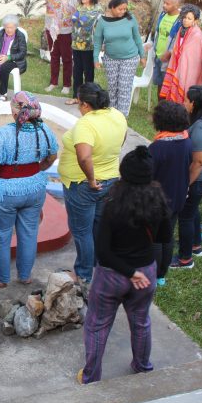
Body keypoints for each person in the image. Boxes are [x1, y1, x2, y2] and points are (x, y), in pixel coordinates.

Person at [78, 146, 171, 384]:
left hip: (112, 275)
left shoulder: (113, 204)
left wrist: (130, 273)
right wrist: (155, 272)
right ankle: (142, 367)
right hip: (145, 273)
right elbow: (164, 241)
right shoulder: (160, 203)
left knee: (97, 326)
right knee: (141, 322)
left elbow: (104, 252)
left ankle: (91, 377)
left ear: (124, 173)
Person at [0, 92, 58, 288]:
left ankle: (1, 277)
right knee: (29, 233)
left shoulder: (4, 133)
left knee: (1, 235)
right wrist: (36, 169)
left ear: (15, 111)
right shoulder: (45, 130)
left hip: (5, 192)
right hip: (34, 187)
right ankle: (24, 275)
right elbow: (52, 156)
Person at [58, 82, 127, 287]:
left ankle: (83, 273)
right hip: (110, 180)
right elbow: (122, 139)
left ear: (86, 105)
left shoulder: (86, 124)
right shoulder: (117, 114)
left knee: (81, 231)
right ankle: (97, 264)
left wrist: (90, 178)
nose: (78, 107)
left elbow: (84, 156)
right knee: (97, 225)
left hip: (84, 185)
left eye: (79, 103)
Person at [170, 87, 202, 269]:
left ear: (194, 103)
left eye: (186, 100)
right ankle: (195, 246)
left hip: (200, 177)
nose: (184, 103)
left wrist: (186, 184)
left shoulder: (201, 129)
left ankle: (185, 259)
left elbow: (200, 161)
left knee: (185, 216)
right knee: (193, 211)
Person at [148, 101, 191, 287]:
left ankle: (154, 273)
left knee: (155, 239)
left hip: (158, 202)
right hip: (178, 197)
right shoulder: (186, 141)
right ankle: (162, 274)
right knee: (168, 236)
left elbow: (148, 176)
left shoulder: (157, 149)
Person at [93, 0, 146, 116]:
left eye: (125, 9)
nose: (123, 12)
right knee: (112, 88)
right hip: (110, 59)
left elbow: (137, 38)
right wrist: (95, 58)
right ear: (112, 7)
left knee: (124, 88)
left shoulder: (130, 19)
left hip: (130, 58)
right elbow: (97, 41)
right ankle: (112, 113)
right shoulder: (102, 21)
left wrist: (142, 56)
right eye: (120, 9)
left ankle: (122, 116)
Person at [43, 0, 79, 95]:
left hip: (65, 28)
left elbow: (75, 7)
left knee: (67, 57)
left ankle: (67, 84)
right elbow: (47, 2)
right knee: (53, 55)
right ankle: (53, 82)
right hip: (51, 25)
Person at [160, 4, 202, 105]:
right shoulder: (182, 30)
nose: (185, 20)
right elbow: (178, 49)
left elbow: (189, 57)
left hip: (189, 71)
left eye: (189, 18)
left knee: (184, 93)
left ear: (196, 21)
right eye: (184, 17)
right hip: (177, 66)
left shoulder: (197, 35)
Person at [68, 0, 102, 105]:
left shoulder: (98, 10)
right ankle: (76, 97)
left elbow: (100, 28)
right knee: (77, 72)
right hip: (76, 45)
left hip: (89, 46)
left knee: (88, 73)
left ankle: (88, 99)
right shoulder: (79, 7)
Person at [0, 14, 27, 103]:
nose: (9, 30)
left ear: (15, 27)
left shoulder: (20, 36)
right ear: (4, 26)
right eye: (7, 27)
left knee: (4, 68)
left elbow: (22, 53)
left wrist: (8, 57)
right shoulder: (0, 33)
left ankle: (3, 94)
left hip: (13, 59)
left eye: (11, 27)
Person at [151, 0, 182, 98]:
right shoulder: (163, 15)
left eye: (167, 4)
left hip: (169, 60)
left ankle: (166, 110)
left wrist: (169, 52)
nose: (164, 5)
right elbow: (158, 33)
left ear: (176, 5)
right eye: (164, 2)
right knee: (159, 84)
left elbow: (178, 41)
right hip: (158, 56)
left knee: (167, 86)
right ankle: (160, 108)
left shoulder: (180, 20)